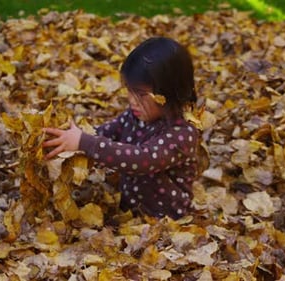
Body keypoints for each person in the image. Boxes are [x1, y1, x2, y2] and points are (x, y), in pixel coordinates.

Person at [43, 37, 200, 219]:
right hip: (129, 215)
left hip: (164, 222)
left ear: (169, 93)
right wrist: (70, 139)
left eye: (141, 94)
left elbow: (143, 159)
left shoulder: (182, 133)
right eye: (129, 89)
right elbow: (104, 133)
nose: (132, 100)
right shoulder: (136, 115)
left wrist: (84, 142)